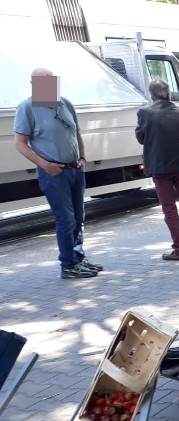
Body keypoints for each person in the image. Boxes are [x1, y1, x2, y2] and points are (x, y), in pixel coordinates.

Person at [14, 68, 103, 279]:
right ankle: (68, 265)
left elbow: (76, 133)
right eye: (42, 82)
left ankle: (78, 258)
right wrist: (45, 165)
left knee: (78, 217)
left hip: (74, 169)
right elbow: (20, 144)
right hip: (54, 173)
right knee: (66, 218)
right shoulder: (27, 107)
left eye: (51, 81)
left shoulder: (65, 103)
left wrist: (82, 158)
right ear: (33, 84)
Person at [135, 79, 179, 261]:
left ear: (151, 94)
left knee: (169, 208)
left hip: (160, 166)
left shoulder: (144, 113)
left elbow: (141, 138)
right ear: (168, 93)